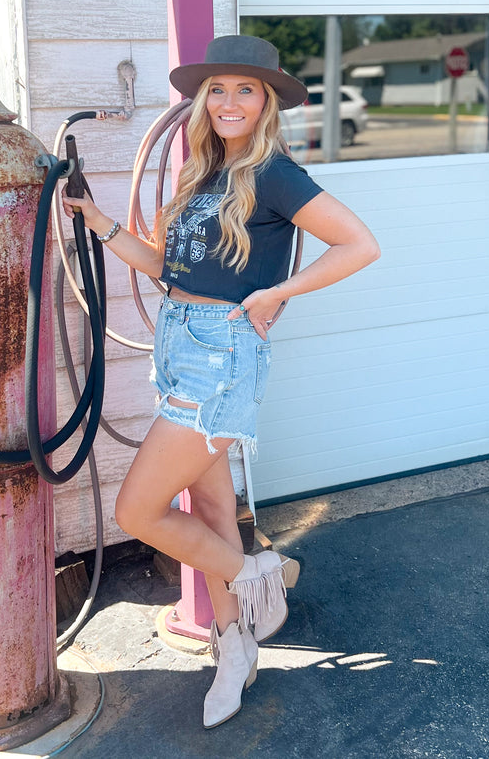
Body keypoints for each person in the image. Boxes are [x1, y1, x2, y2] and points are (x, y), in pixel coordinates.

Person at [62, 35, 380, 729]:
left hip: (221, 359)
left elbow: (360, 242)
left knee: (137, 512)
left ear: (266, 101)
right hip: (178, 348)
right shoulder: (206, 170)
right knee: (207, 516)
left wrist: (277, 293)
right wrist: (101, 222)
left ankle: (257, 574)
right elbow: (168, 271)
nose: (229, 101)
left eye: (245, 89)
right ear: (203, 100)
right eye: (218, 89)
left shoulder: (273, 172)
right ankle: (234, 647)